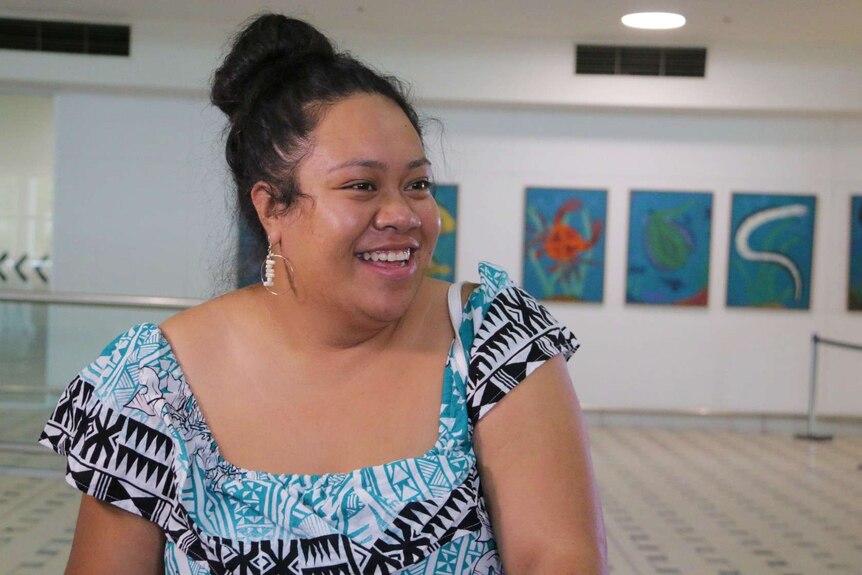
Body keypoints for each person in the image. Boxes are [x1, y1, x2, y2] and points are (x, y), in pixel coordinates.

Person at [39, 13, 606, 575]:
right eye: (361, 186)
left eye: (417, 184)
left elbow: (558, 558)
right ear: (272, 208)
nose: (403, 215)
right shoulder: (151, 384)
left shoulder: (493, 340)